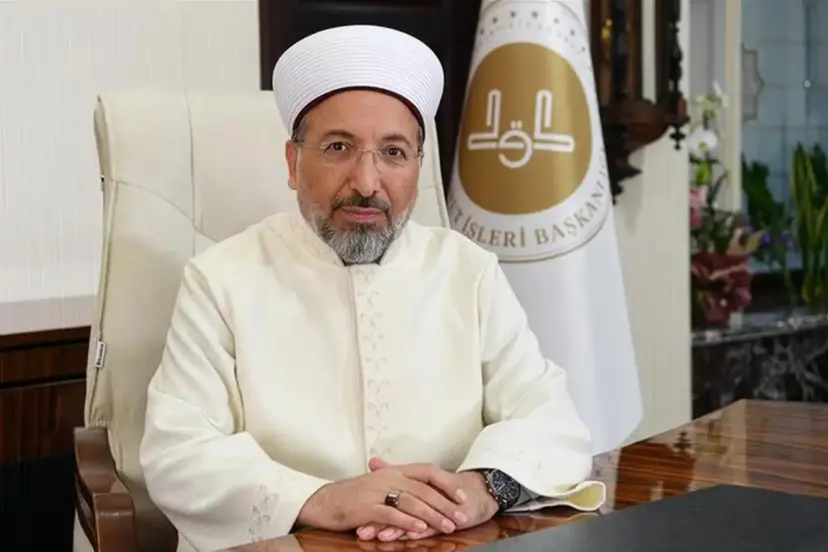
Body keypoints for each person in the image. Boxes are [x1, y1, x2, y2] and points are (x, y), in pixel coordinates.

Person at [139, 24, 605, 552]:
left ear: (417, 167)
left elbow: (550, 417)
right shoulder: (220, 279)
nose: (366, 182)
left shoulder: (467, 270)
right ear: (293, 163)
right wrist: (327, 500)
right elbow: (179, 454)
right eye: (339, 147)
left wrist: (479, 490)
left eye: (394, 152)